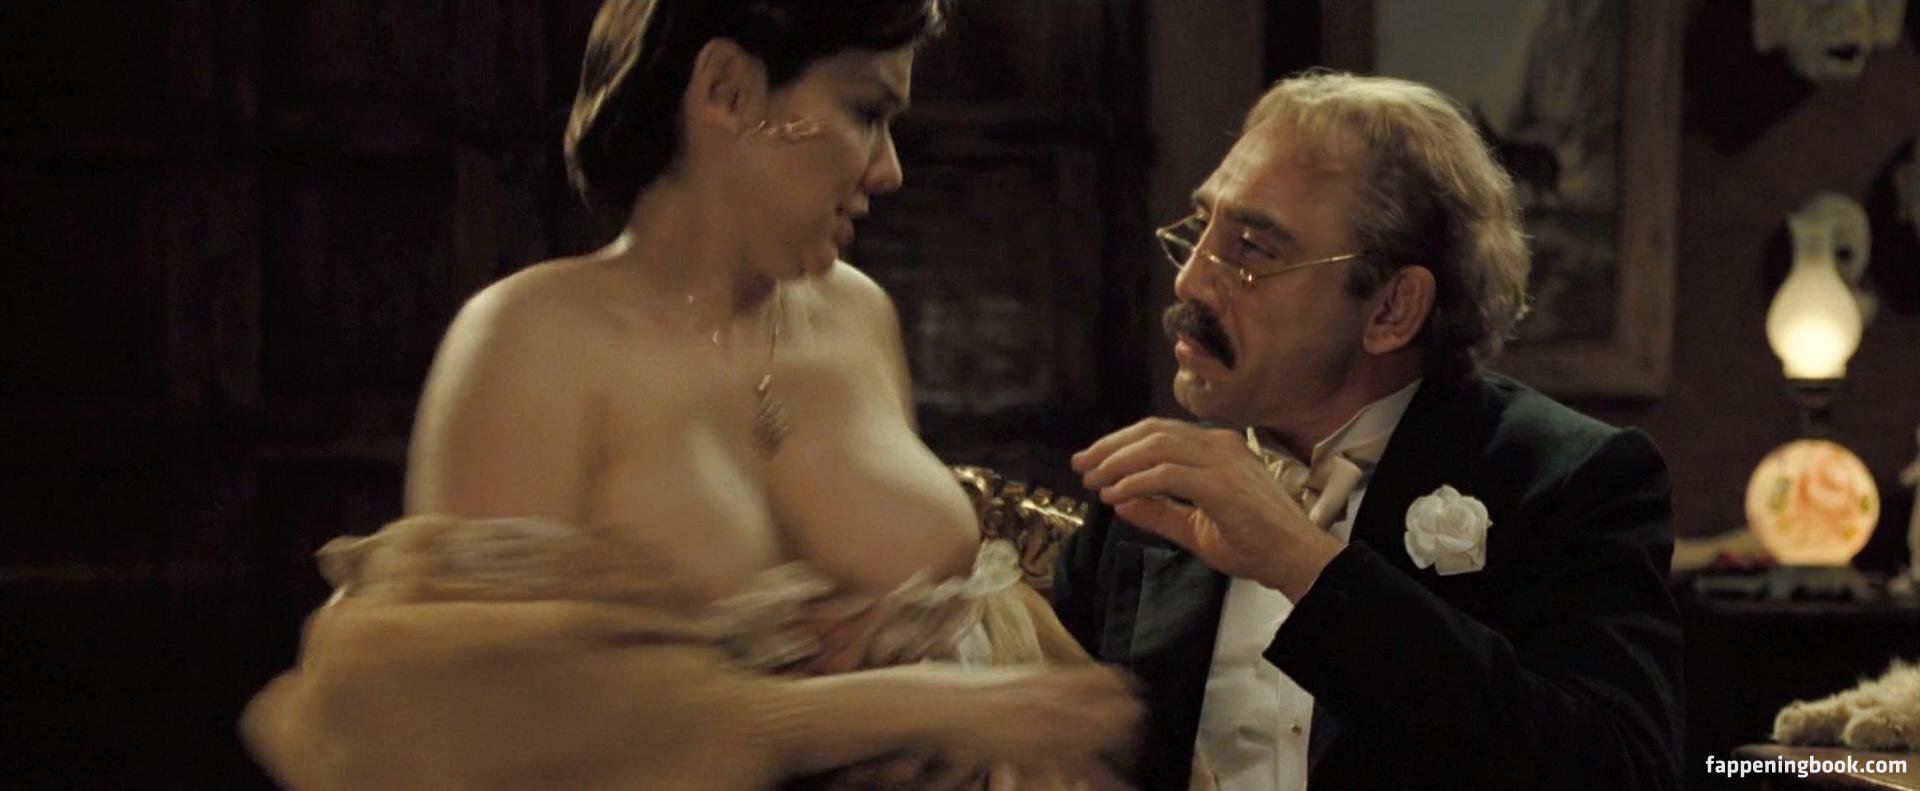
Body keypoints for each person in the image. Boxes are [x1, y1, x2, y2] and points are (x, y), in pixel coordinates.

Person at [241, 1, 1138, 788]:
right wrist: (895, 707)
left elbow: (967, 641)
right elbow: (472, 724)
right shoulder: (527, 341)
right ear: (726, 89)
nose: (888, 170)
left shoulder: (858, 316)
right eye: (866, 112)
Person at [1052, 72, 1683, 790]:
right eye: (1200, 231)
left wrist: (1300, 561)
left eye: (1252, 248)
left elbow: (1622, 772)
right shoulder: (1149, 493)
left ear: (1392, 309)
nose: (1189, 282)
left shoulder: (1569, 482)